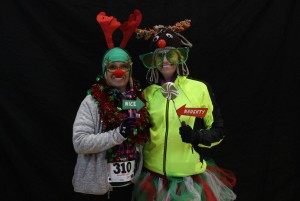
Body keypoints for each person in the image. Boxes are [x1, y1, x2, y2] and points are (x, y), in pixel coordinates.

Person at [132, 20, 237, 200]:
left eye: (170, 54)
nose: (165, 60)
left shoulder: (199, 89)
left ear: (180, 56)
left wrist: (196, 137)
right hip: (154, 179)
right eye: (159, 56)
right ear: (153, 61)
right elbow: (131, 117)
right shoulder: (146, 94)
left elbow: (218, 132)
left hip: (189, 180)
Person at [72, 9, 150, 201]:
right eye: (112, 67)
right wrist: (118, 134)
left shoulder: (137, 98)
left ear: (129, 69)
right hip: (97, 188)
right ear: (105, 71)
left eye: (123, 66)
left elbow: (143, 132)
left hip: (128, 184)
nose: (118, 72)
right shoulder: (92, 101)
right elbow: (80, 143)